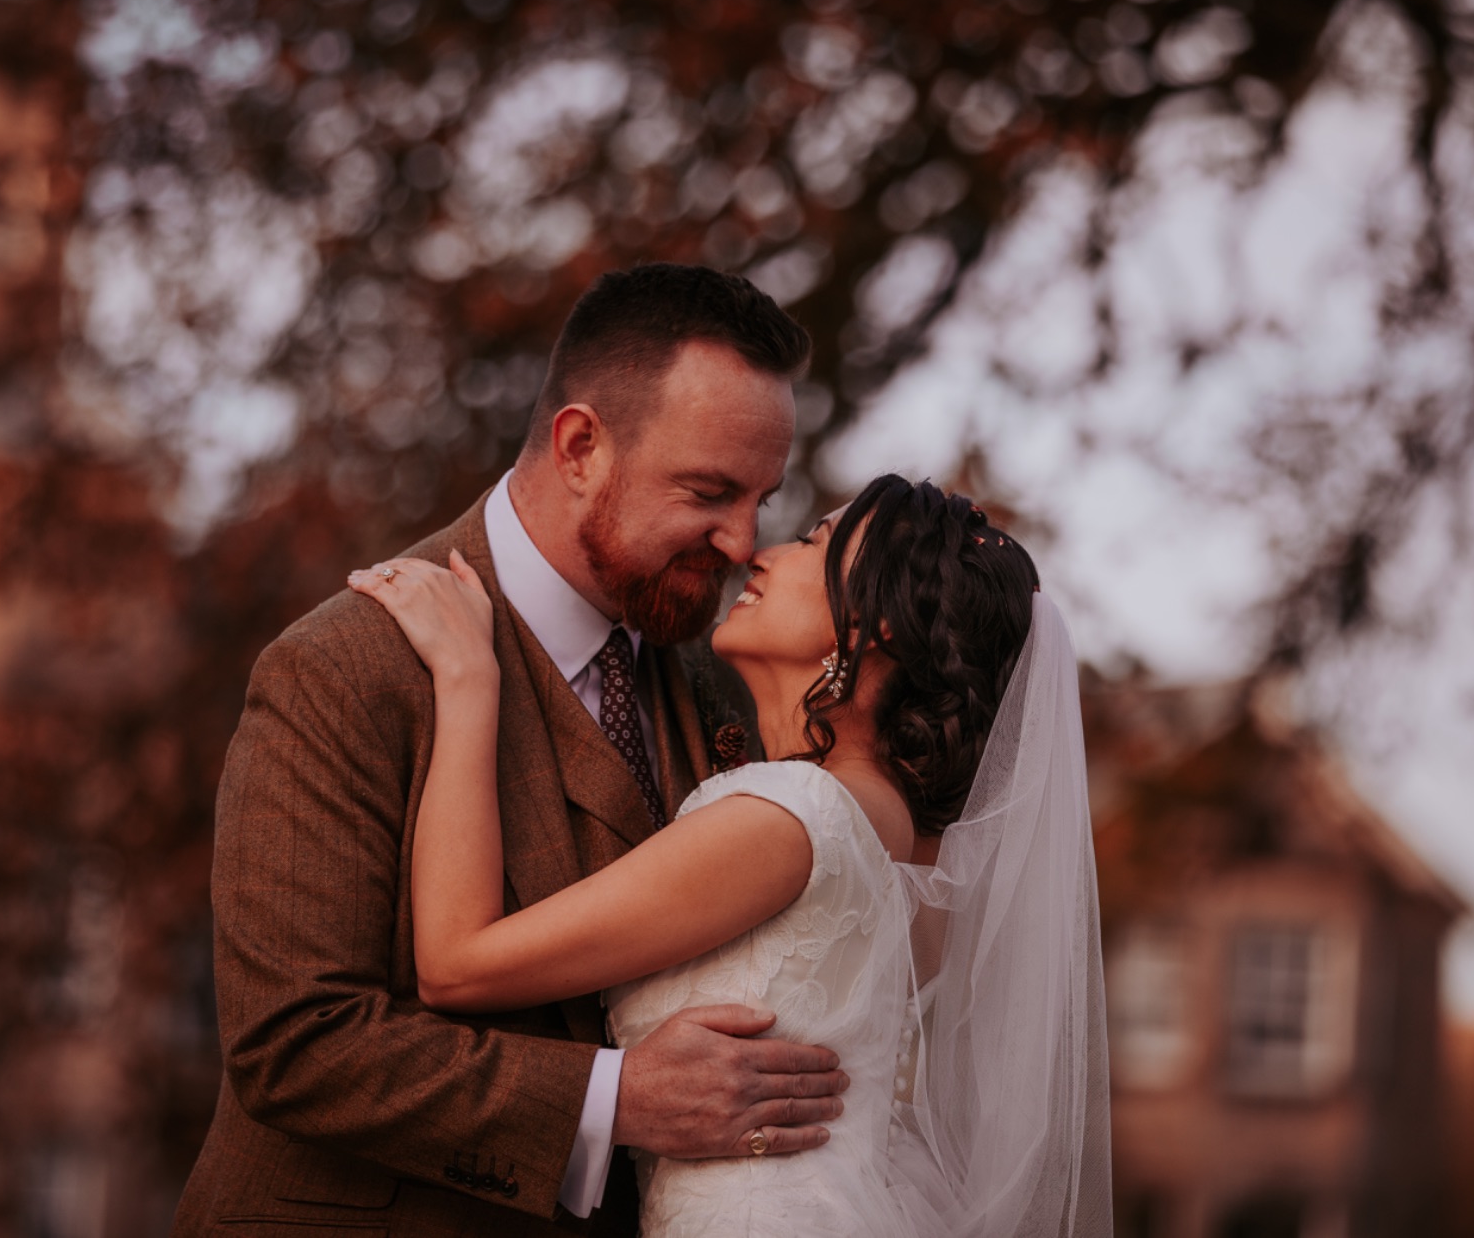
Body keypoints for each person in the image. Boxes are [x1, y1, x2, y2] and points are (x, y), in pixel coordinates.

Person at [172, 264, 853, 1237]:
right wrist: (614, 1100)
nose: (744, 539)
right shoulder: (343, 667)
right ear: (579, 446)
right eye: (708, 490)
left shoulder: (710, 691)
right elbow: (297, 1042)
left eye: (761, 497)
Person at [350, 474, 1113, 1236]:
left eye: (813, 541)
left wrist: (468, 678)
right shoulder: (902, 841)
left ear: (875, 626)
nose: (761, 554)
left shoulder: (793, 817)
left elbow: (457, 963)